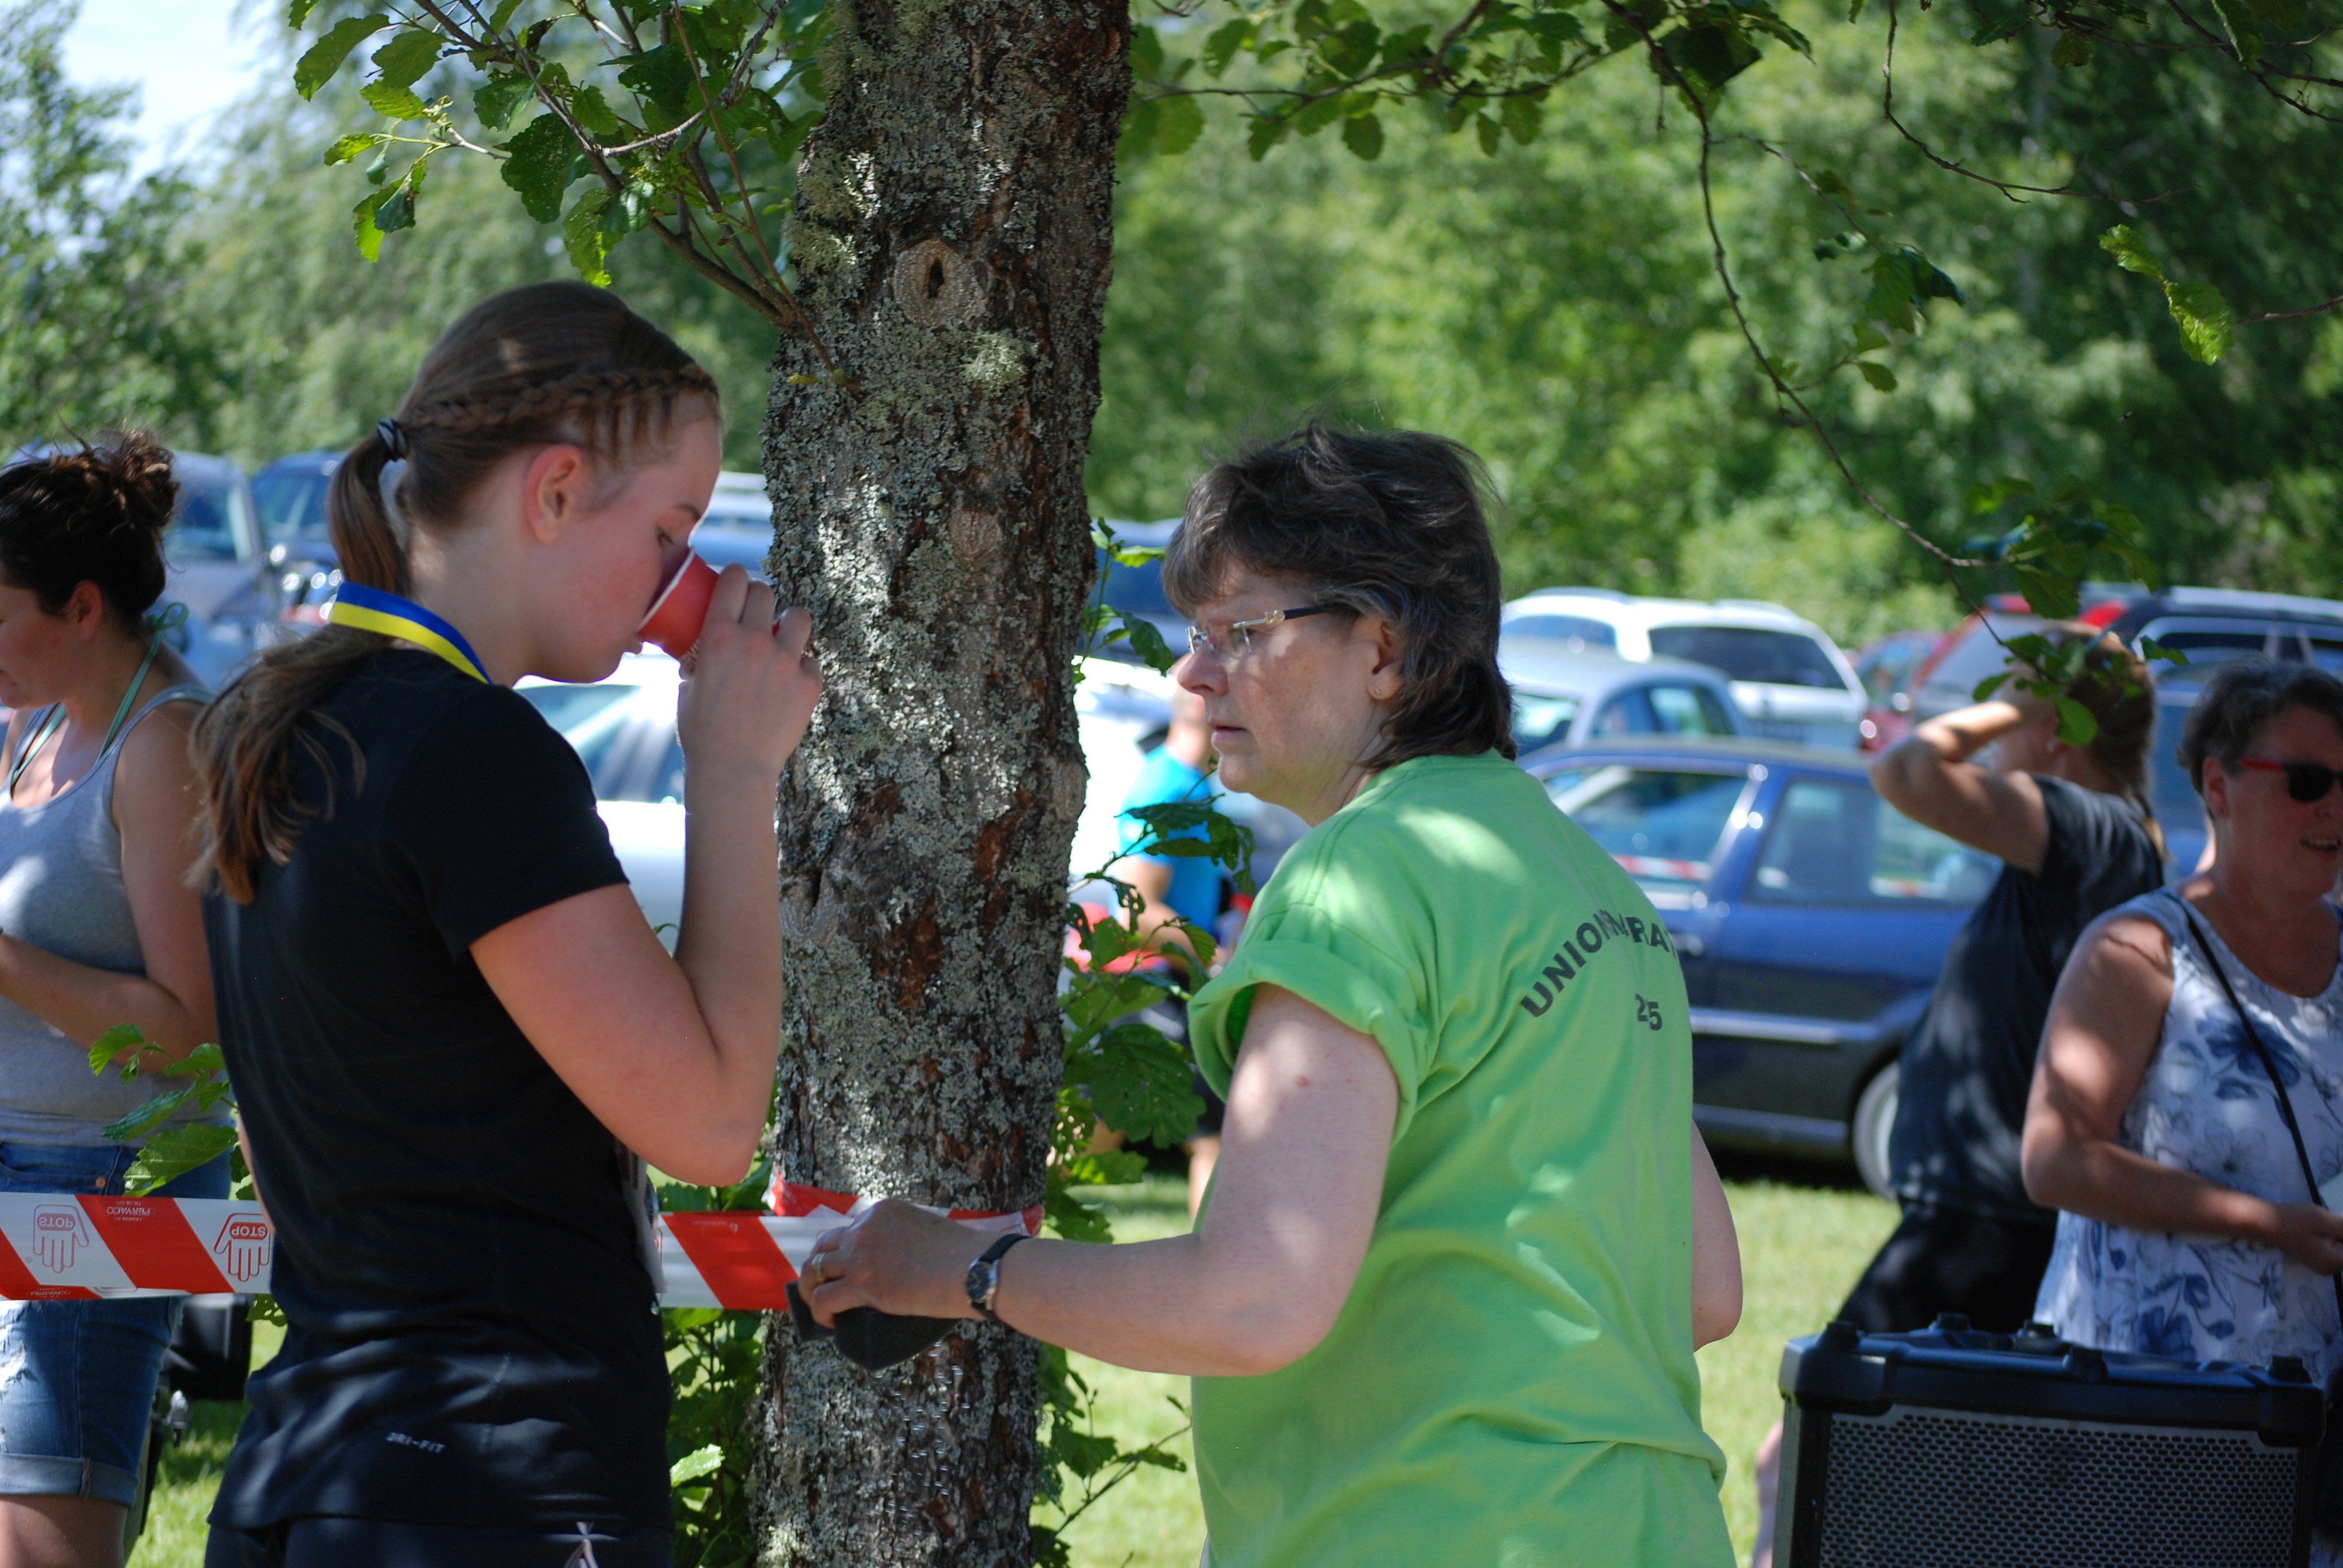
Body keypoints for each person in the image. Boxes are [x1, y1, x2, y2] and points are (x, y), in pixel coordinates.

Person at [794, 426, 1745, 1567]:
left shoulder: (1363, 874)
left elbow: (1253, 1299)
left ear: (1383, 650)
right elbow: (1703, 1290)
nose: (1194, 675)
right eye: (1197, 636)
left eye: (1241, 632)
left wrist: (955, 1268)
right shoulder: (1593, 884)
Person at [189, 283, 822, 1568]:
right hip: (492, 1485)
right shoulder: (474, 749)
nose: (682, 580)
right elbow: (709, 1125)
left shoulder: (284, 723)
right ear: (555, 491)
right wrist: (735, 772)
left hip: (311, 1474)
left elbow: (284, 1145)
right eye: (669, 530)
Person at [1749, 627, 2165, 1567]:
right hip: (1981, 1222)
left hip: (1982, 1223)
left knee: (1806, 1455)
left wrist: (2015, 703)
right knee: (1907, 1490)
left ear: (2055, 725)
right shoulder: (2100, 843)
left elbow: (1905, 772)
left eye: (2012, 703)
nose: (1995, 724)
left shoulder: (2089, 826)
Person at [2024, 659, 2343, 1560]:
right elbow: (2054, 1160)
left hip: (2315, 1444)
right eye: (2307, 781)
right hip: (2148, 1422)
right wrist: (2264, 1223)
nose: (2334, 807)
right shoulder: (2138, 949)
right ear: (2218, 785)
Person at [0, 435, 224, 1568]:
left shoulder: (165, 743)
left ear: (83, 607)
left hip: (99, 1181)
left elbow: (191, 1035)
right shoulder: (33, 721)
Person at [1113, 683, 1230, 1212]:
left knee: (1101, 1132)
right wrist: (1213, 957)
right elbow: (1135, 910)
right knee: (1214, 1141)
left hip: (1169, 980)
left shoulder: (1192, 784)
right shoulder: (1165, 787)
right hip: (1155, 982)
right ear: (1206, 703)